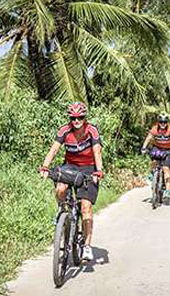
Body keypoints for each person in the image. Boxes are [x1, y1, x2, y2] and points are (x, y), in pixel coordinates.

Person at [39, 102, 103, 261]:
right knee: (60, 189)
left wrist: (98, 171)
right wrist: (45, 167)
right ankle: (63, 213)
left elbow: (97, 151)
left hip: (89, 168)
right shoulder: (65, 130)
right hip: (70, 167)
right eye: (73, 118)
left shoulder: (91, 131)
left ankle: (87, 246)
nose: (76, 121)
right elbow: (54, 149)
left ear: (84, 118)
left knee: (86, 207)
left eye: (80, 118)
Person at [141, 113, 170, 201]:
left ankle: (167, 192)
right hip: (157, 148)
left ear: (167, 123)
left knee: (166, 169)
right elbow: (148, 138)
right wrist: (143, 147)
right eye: (161, 122)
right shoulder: (155, 128)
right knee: (154, 161)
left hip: (168, 150)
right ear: (158, 122)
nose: (162, 124)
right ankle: (153, 174)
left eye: (164, 122)